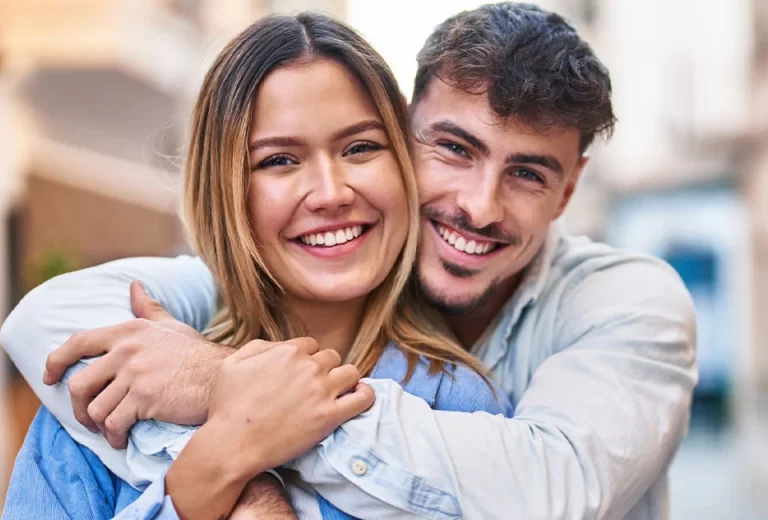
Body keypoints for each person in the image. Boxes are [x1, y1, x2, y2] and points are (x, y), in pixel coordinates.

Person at [2, 2, 698, 519]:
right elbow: (43, 320)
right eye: (454, 149)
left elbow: (556, 489)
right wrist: (214, 471)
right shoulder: (121, 380)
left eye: (359, 148)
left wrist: (225, 395)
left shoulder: (473, 403)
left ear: (569, 188)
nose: (480, 207)